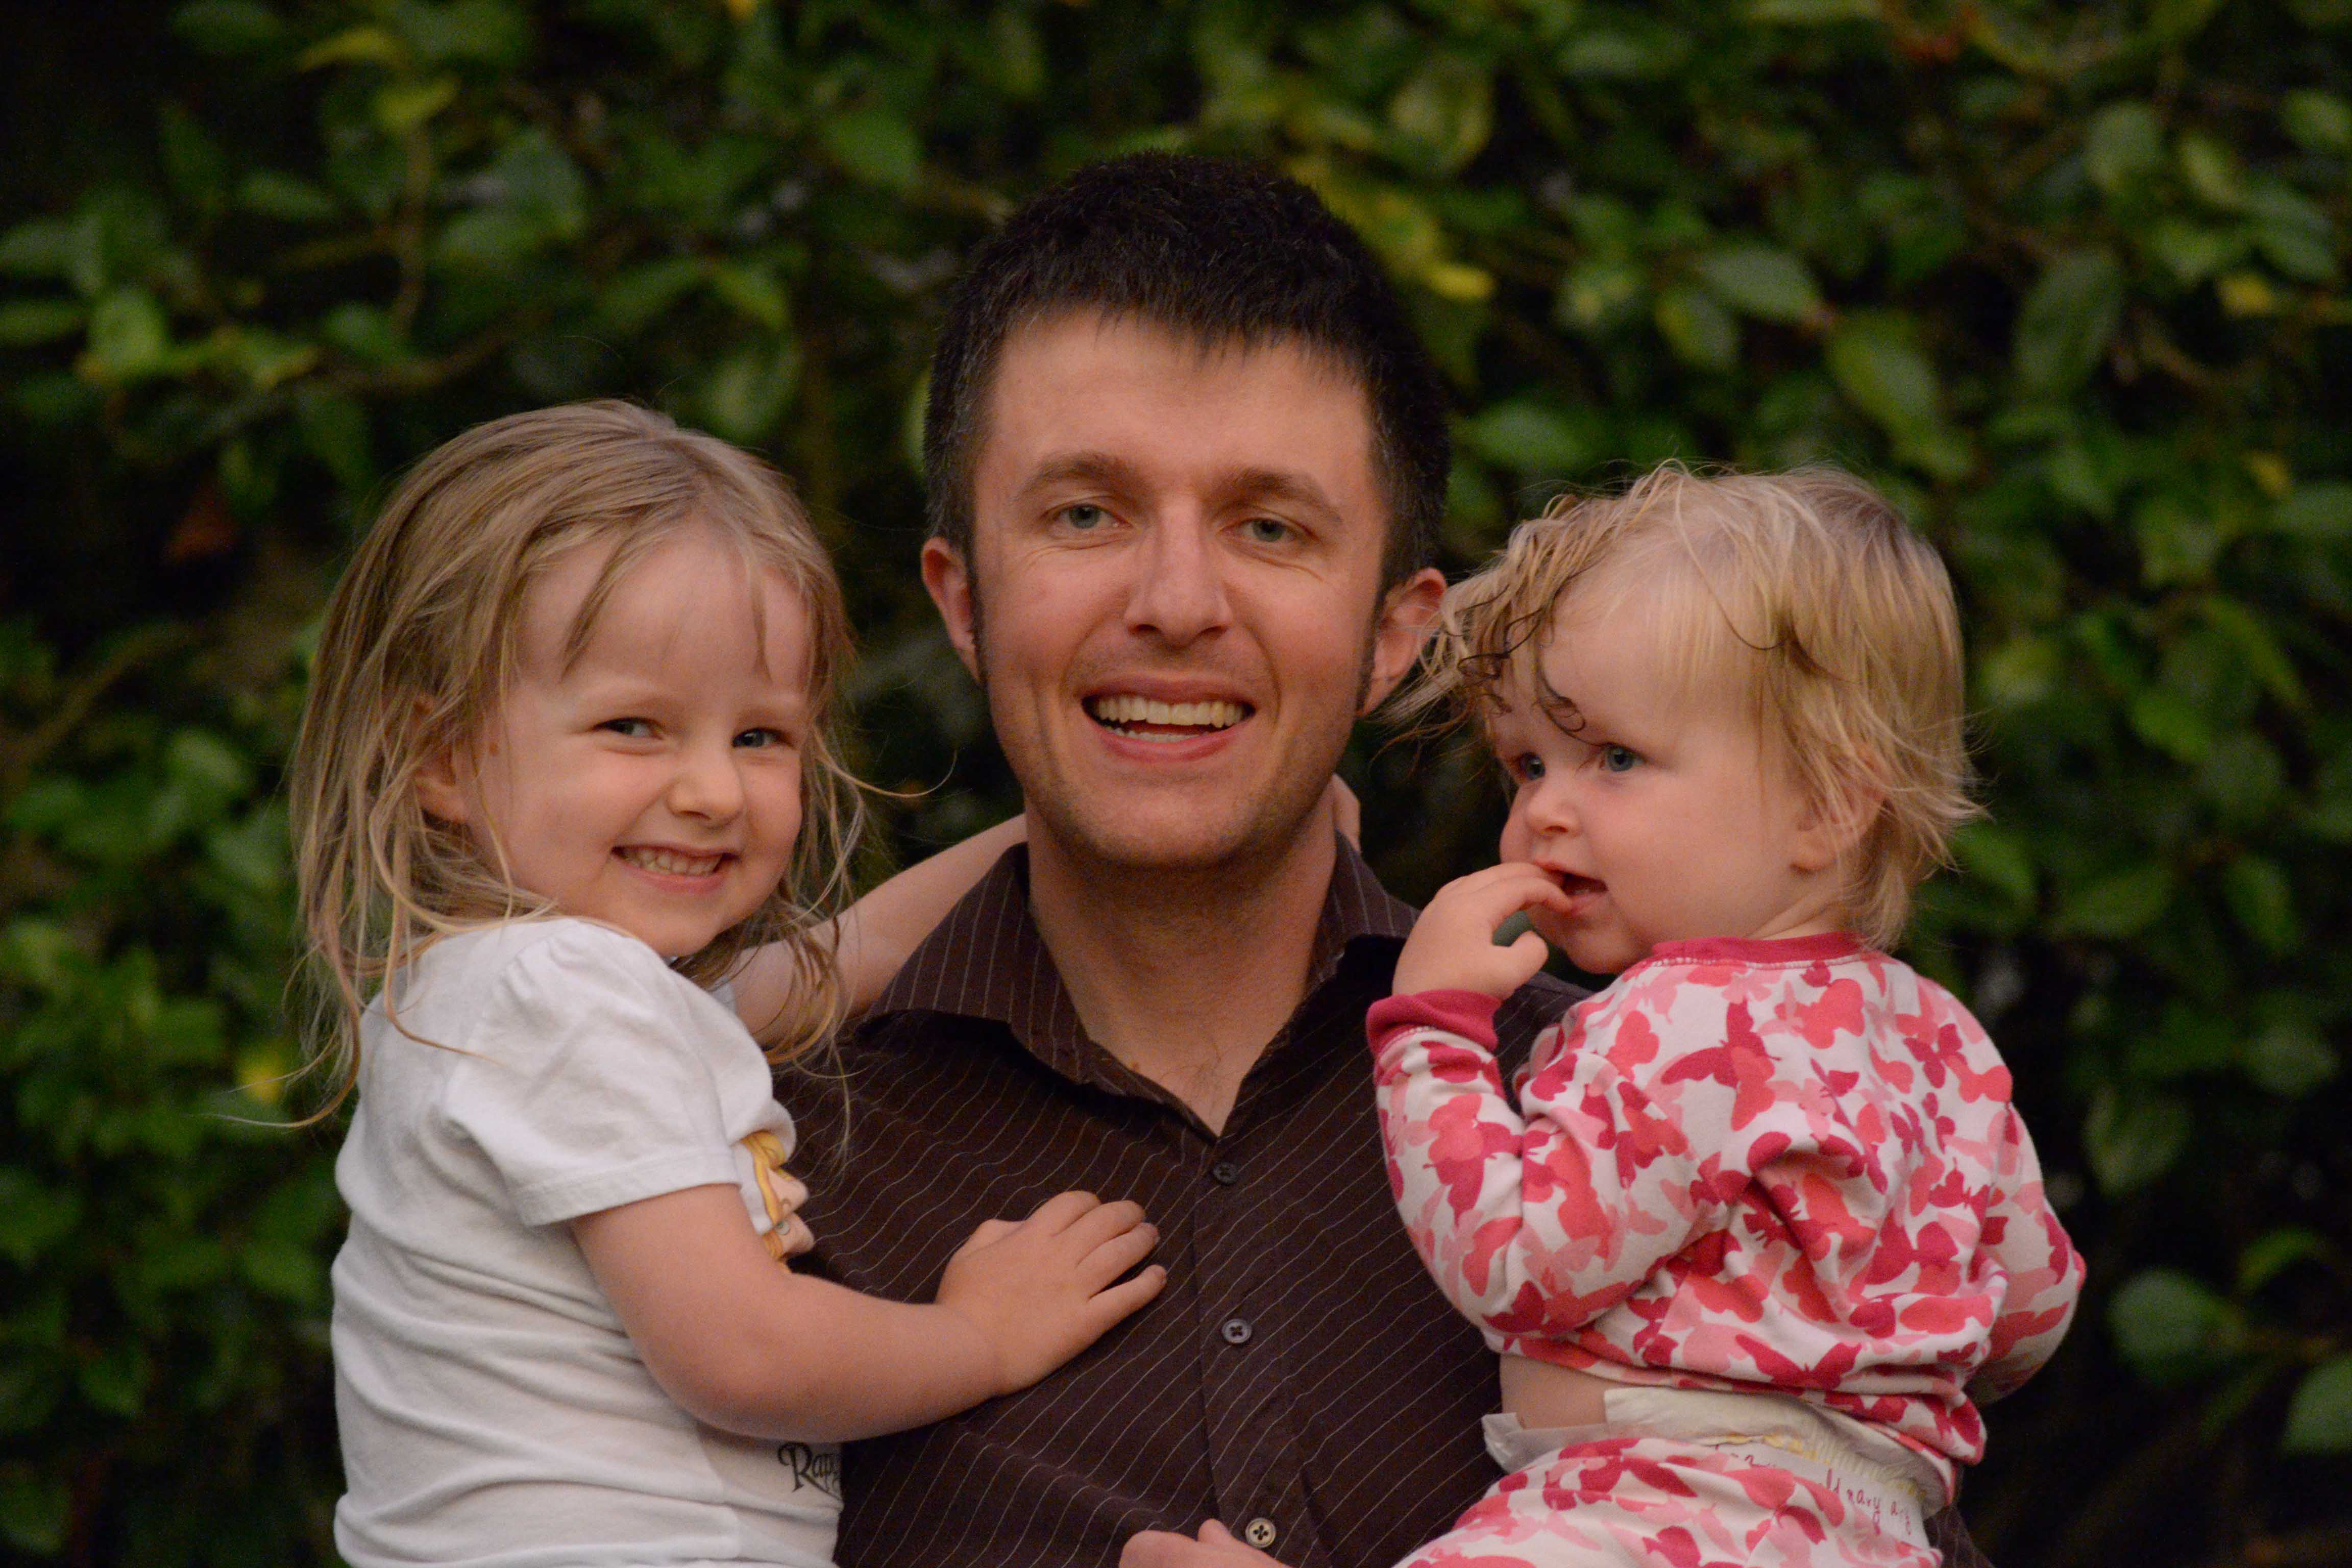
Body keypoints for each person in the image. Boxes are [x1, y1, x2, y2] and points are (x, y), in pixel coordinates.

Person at [779, 155, 1987, 1568]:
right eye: (1086, 514)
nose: (1176, 603)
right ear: (964, 599)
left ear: (1397, 631)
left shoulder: (1666, 1103)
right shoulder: (758, 1161)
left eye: (1270, 527)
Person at [289, 402, 1165, 1568]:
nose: (711, 791)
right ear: (442, 757)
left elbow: (846, 958)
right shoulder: (557, 993)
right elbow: (741, 1356)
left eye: (760, 737)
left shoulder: (515, 994)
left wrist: (1113, 829)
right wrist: (979, 1338)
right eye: (634, 726)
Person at [1361, 466, 2085, 1566]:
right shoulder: (1944, 1041)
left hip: (1660, 1515)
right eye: (1528, 764)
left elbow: (1515, 1265)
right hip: (1877, 1536)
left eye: (1615, 758)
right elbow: (2031, 1311)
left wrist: (1431, 1031)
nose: (1545, 808)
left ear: (1825, 804)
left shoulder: (1682, 1020)